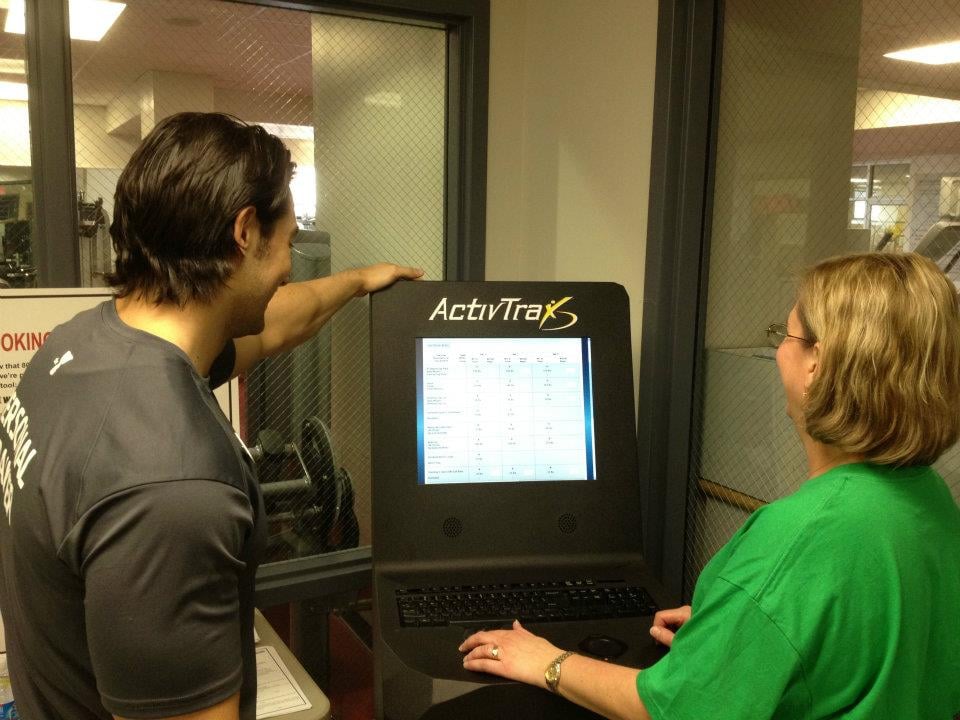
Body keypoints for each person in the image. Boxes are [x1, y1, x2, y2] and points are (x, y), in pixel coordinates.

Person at [0, 112, 422, 720]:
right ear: (245, 232)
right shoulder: (172, 486)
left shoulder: (82, 346)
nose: (288, 268)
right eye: (288, 243)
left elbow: (275, 324)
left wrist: (357, 281)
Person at [460, 252, 960, 719]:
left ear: (817, 364)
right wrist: (730, 635)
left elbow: (669, 708)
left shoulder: (798, 537)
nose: (779, 351)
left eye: (785, 336)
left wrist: (546, 662)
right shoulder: (929, 497)